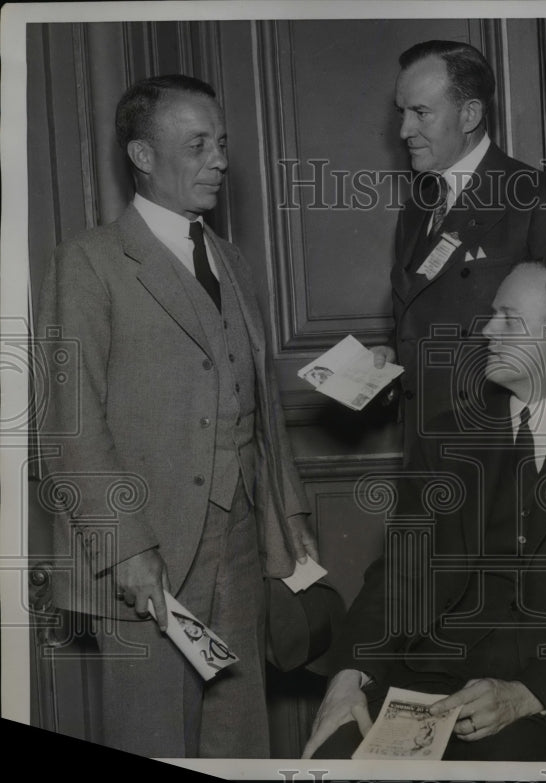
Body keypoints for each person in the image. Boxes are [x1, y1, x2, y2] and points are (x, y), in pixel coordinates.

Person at [35, 74, 317, 758]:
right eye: (197, 145)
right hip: (146, 561)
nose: (219, 159)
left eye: (220, 143)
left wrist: (291, 528)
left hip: (241, 547)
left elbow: (265, 411)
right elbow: (67, 426)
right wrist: (127, 549)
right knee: (155, 738)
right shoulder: (89, 262)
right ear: (142, 155)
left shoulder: (231, 260)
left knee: (239, 739)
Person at [302, 261, 546, 760]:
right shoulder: (448, 436)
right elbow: (399, 577)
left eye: (508, 319)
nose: (487, 330)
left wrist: (529, 694)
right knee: (331, 758)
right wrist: (346, 680)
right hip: (425, 679)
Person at [372, 40, 546, 454]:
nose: (403, 131)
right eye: (402, 112)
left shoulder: (539, 199)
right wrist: (392, 359)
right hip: (426, 451)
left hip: (505, 458)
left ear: (469, 114)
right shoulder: (418, 209)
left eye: (421, 113)